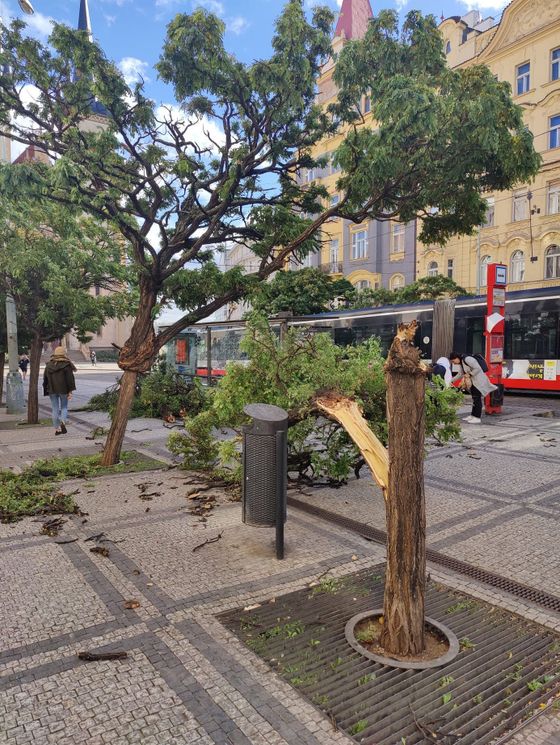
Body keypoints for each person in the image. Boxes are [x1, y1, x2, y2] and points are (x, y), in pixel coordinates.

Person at [449, 351, 497, 424]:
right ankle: (473, 415)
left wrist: (470, 374)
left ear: (456, 358)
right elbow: (460, 374)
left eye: (453, 361)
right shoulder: (462, 362)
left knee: (477, 399)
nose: (453, 363)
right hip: (473, 382)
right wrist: (451, 381)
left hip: (478, 382)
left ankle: (477, 417)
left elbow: (478, 368)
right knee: (474, 399)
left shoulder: (467, 359)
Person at [43, 346, 77, 436]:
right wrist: (70, 391)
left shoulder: (48, 365)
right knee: (64, 407)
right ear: (64, 354)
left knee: (55, 409)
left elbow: (45, 379)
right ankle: (63, 421)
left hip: (52, 390)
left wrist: (46, 390)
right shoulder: (67, 365)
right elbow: (70, 380)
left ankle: (57, 429)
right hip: (63, 390)